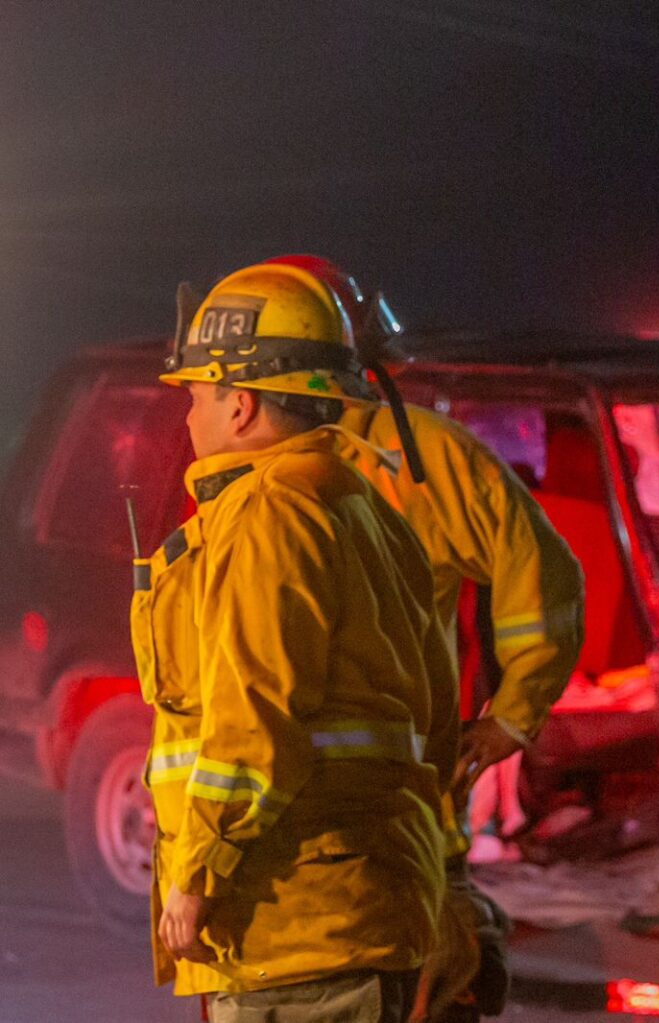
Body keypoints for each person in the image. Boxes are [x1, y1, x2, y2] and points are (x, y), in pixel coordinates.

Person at [136, 261, 459, 1022]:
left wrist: (200, 871)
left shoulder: (270, 515)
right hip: (359, 908)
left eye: (196, 394)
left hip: (293, 921)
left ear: (241, 405)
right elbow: (436, 715)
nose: (186, 417)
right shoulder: (365, 510)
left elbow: (252, 712)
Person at [261, 256, 585, 790]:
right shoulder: (231, 469)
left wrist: (511, 716)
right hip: (284, 803)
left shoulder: (416, 453)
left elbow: (536, 562)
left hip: (394, 796)